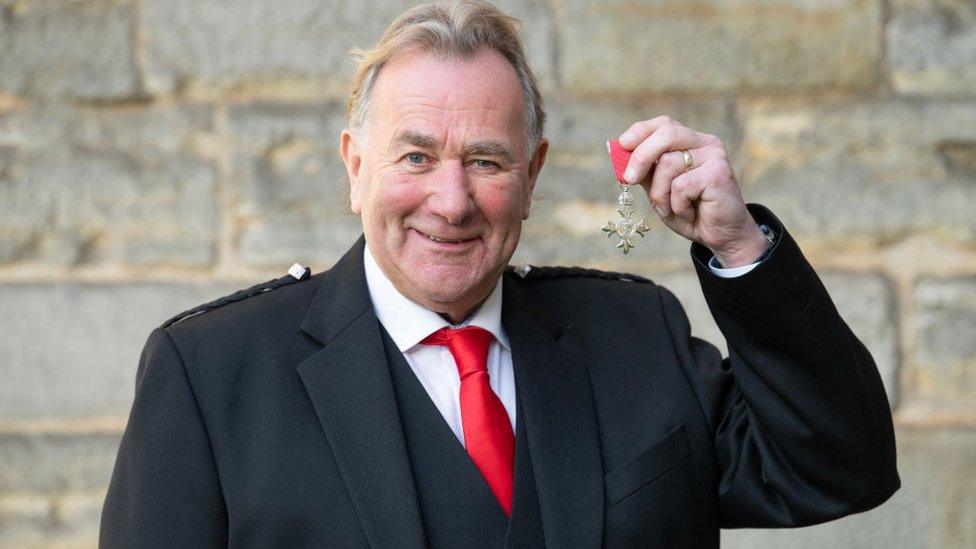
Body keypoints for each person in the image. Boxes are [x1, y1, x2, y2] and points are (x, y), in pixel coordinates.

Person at [99, 1, 899, 547]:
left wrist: (738, 248)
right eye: (416, 156)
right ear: (354, 167)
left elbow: (839, 467)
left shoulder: (635, 336)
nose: (452, 203)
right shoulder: (211, 377)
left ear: (532, 173)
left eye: (486, 161)